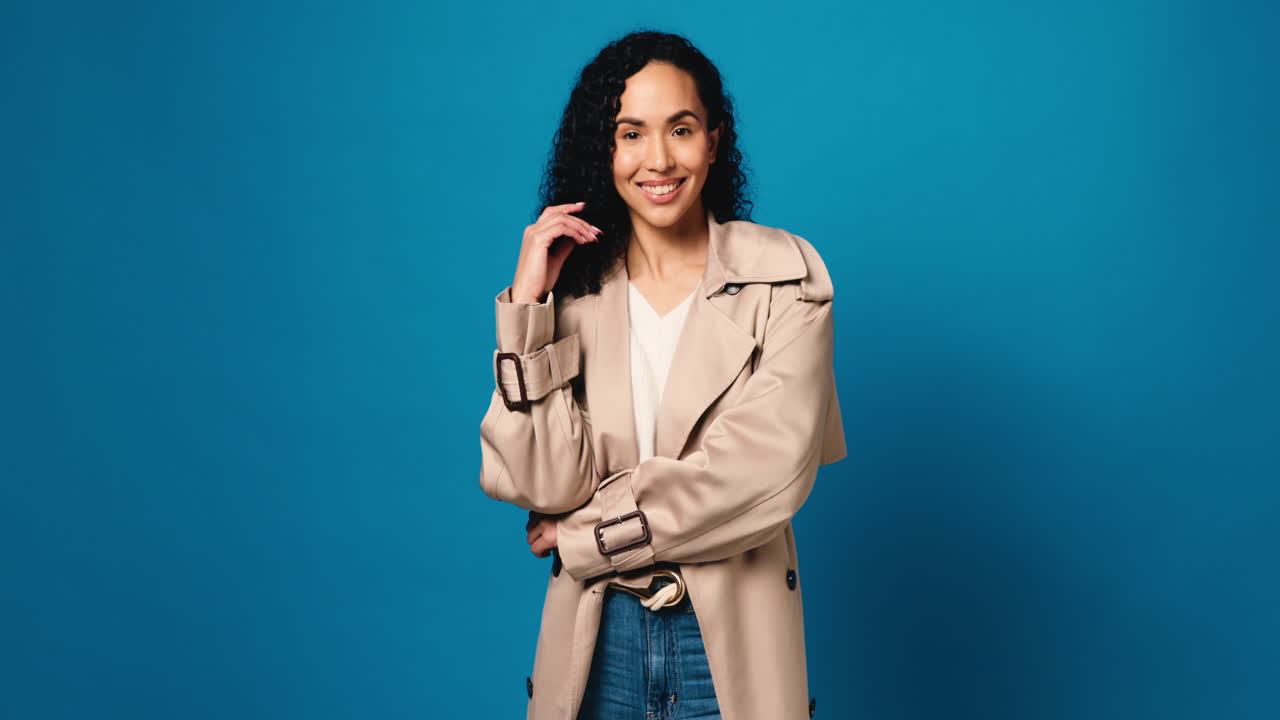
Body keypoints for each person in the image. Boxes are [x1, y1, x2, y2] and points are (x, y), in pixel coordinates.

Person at [479, 30, 847, 720]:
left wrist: (588, 535)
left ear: (714, 138)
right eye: (631, 133)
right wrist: (527, 308)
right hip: (597, 640)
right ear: (605, 149)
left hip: (731, 641)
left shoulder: (785, 279)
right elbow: (542, 482)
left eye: (680, 129)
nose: (659, 159)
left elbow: (759, 476)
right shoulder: (575, 294)